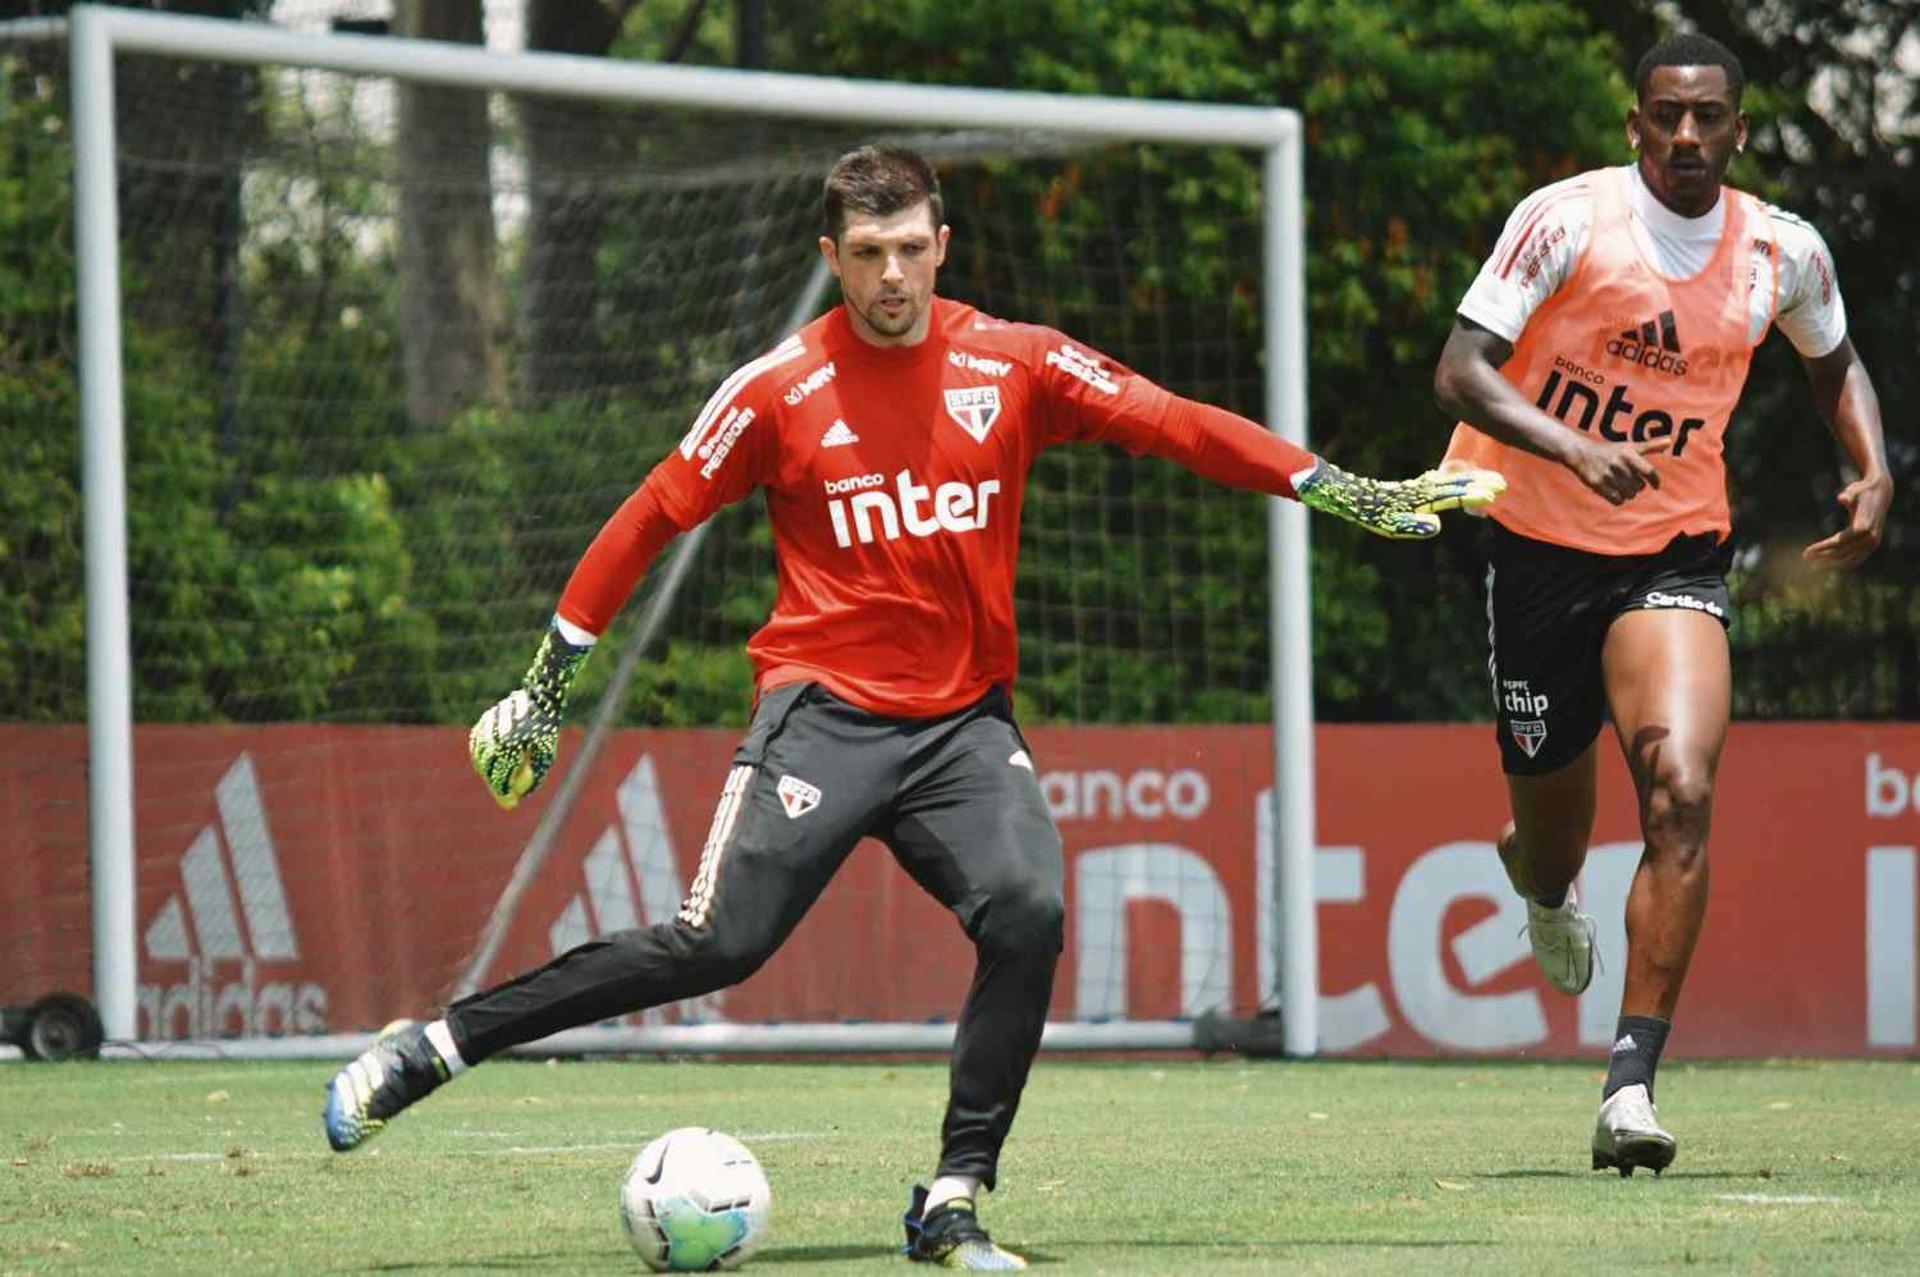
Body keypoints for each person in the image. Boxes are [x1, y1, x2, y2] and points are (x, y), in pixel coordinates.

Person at [324, 144, 1503, 1269]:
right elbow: (648, 517)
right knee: (714, 943)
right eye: (867, 253)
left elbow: (1176, 421)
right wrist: (547, 680)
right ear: (831, 256)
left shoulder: (1018, 361)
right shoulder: (777, 388)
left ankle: (953, 1193)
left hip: (961, 729)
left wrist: (1334, 486)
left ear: (943, 244)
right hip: (821, 715)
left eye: (910, 248)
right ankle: (437, 1045)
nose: (892, 275)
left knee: (1031, 908)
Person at [1434, 33, 1891, 1176]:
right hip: (1537, 541)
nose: (1687, 135)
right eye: (1666, 116)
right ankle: (1539, 878)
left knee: (1680, 791)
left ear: (1739, 128)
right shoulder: (1565, 222)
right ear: (1634, 125)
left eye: (1709, 117)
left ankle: (1630, 1084)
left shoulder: (1782, 249)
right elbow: (1462, 368)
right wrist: (1570, 446)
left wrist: (1873, 464)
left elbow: (1834, 359)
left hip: (1673, 547)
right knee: (1555, 837)